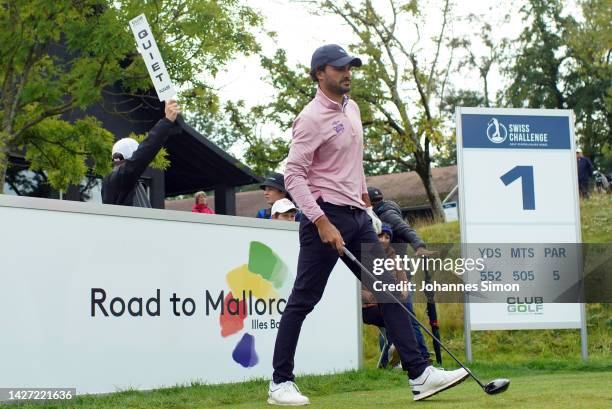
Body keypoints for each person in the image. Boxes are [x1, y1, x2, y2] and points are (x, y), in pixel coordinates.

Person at [267, 44, 468, 406]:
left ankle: (419, 374)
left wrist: (365, 201)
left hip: (357, 216)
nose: (348, 73)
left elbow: (353, 162)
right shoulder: (310, 118)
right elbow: (293, 175)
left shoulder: (353, 108)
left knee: (391, 290)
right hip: (324, 217)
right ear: (319, 74)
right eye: (339, 68)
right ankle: (280, 382)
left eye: (350, 68)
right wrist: (322, 221)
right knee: (303, 300)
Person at [368, 186, 434, 362]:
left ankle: (423, 357)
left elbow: (407, 230)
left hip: (399, 273)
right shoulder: (378, 214)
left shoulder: (387, 216)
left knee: (407, 317)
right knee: (389, 317)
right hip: (386, 272)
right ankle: (387, 362)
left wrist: (419, 245)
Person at [102, 99, 180, 207]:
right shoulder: (124, 176)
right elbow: (146, 149)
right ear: (133, 156)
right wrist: (167, 121)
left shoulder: (113, 179)